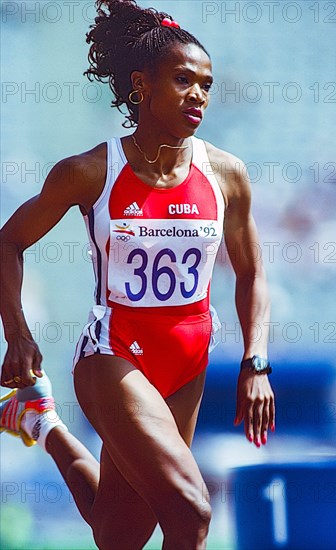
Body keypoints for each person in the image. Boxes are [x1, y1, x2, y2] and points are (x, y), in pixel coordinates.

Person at [0, 1, 275, 548]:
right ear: (141, 85)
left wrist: (255, 360)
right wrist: (19, 335)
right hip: (115, 355)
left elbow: (252, 274)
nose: (197, 94)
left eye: (206, 84)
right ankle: (42, 410)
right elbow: (8, 241)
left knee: (118, 533)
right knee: (192, 513)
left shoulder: (226, 175)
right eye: (182, 79)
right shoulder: (90, 172)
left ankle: (41, 421)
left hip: (189, 362)